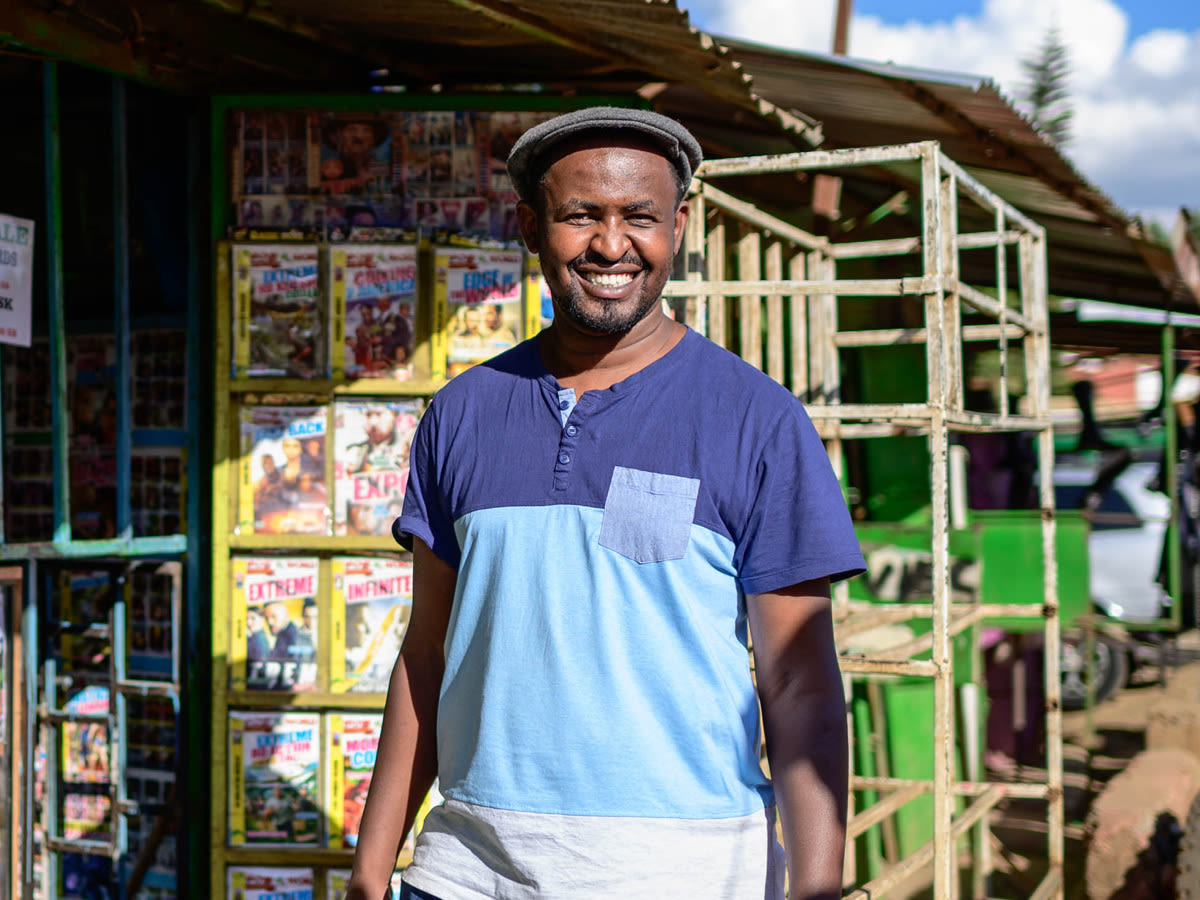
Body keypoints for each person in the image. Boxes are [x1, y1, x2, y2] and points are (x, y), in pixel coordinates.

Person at [347, 107, 864, 900]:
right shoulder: (462, 413)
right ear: (530, 226)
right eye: (581, 215)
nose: (612, 246)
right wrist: (371, 872)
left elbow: (801, 685)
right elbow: (426, 656)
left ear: (680, 227)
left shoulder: (757, 421)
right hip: (466, 873)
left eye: (641, 218)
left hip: (686, 873)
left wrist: (819, 887)